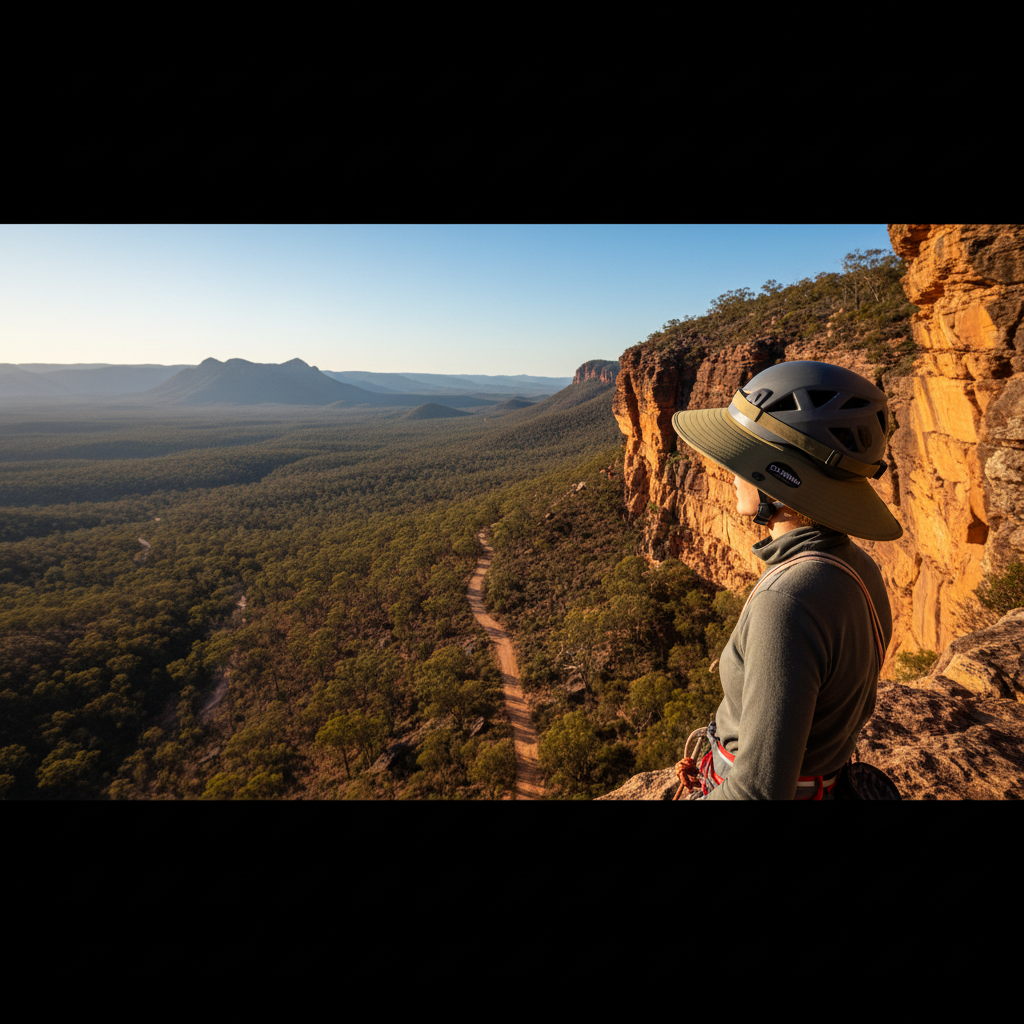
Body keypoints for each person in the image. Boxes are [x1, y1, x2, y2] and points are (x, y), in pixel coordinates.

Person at [669, 360, 902, 800]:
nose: (730, 474)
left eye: (742, 457)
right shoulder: (857, 566)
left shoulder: (787, 601)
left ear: (778, 474)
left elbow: (756, 791)